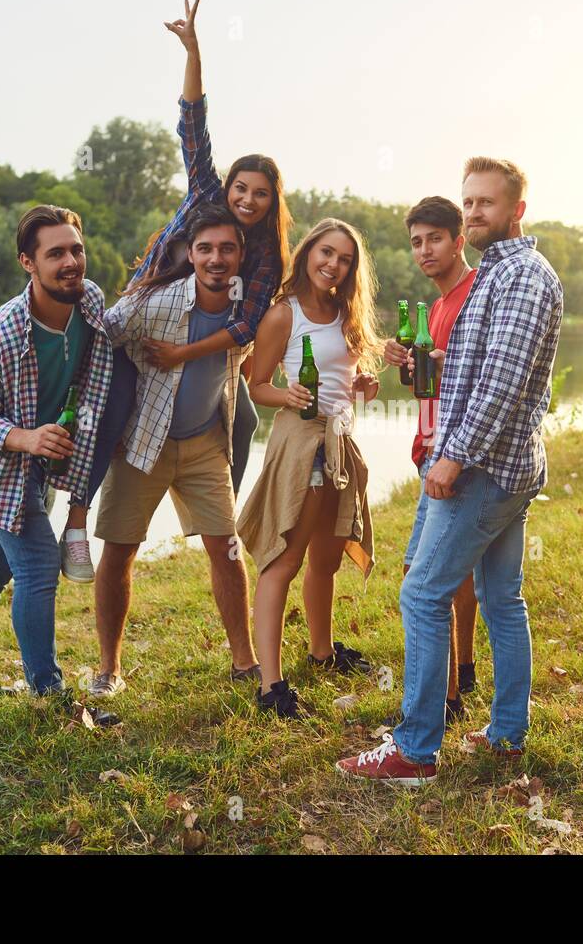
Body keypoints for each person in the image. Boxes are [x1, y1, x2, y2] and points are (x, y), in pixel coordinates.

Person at [338, 158, 563, 784]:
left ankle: (414, 750)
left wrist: (454, 456)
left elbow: (503, 382)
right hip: (500, 463)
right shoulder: (496, 273)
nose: (473, 212)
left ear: (517, 210)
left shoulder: (522, 278)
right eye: (468, 202)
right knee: (500, 597)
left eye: (486, 204)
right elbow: (471, 369)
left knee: (423, 593)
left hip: (484, 469)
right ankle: (507, 735)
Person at [55, 0, 292, 583]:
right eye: (242, 188)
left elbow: (244, 325)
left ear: (271, 202)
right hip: (146, 315)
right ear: (229, 186)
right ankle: (77, 521)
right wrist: (194, 51)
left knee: (238, 423)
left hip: (200, 343)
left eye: (260, 194)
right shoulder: (207, 195)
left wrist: (189, 354)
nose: (247, 201)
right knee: (112, 411)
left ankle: (221, 519)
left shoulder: (263, 251)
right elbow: (193, 121)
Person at [0, 204, 119, 727]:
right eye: (55, 253)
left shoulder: (91, 303)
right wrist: (28, 438)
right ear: (28, 264)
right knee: (37, 566)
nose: (70, 262)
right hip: (1, 464)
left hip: (47, 463)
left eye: (76, 249)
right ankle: (49, 695)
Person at [87, 204, 259, 697]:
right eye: (205, 248)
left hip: (207, 441)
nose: (216, 258)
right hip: (144, 440)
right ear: (190, 252)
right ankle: (109, 670)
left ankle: (244, 663)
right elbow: (100, 342)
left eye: (227, 248)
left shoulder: (249, 307)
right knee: (119, 551)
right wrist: (107, 417)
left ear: (241, 254)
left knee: (227, 549)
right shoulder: (154, 302)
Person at [237, 218, 383, 718]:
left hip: (341, 439)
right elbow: (256, 385)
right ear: (307, 254)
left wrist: (361, 384)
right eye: (326, 252)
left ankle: (322, 652)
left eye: (344, 258)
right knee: (286, 557)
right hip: (302, 442)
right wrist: (287, 393)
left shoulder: (344, 313)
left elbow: (344, 375)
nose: (333, 264)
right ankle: (270, 686)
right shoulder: (284, 314)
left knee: (327, 557)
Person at [383, 196, 479, 724]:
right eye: (417, 242)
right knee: (458, 573)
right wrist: (407, 362)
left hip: (451, 455)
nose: (424, 250)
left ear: (458, 240)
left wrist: (450, 455)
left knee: (420, 575)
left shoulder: (469, 299)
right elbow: (431, 384)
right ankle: (462, 670)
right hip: (432, 447)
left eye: (435, 239)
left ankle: (443, 701)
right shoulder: (436, 307)